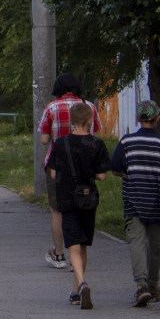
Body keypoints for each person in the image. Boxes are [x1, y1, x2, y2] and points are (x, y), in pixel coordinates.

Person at [110, 100, 160, 307]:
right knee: (156, 247)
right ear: (158, 118)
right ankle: (153, 286)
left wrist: (133, 173)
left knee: (137, 244)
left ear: (138, 119)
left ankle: (141, 287)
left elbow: (115, 169)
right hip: (157, 201)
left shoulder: (126, 142)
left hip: (133, 201)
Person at [45, 102, 111, 310]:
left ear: (71, 122)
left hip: (66, 199)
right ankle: (76, 290)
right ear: (91, 121)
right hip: (88, 200)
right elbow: (101, 176)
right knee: (82, 244)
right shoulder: (97, 144)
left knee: (72, 245)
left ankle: (81, 283)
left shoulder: (61, 143)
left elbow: (53, 173)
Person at [39, 73, 101, 269]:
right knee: (83, 205)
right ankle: (80, 253)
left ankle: (59, 255)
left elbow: (44, 140)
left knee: (58, 209)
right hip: (85, 164)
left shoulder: (51, 107)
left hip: (58, 166)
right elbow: (95, 135)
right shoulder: (89, 107)